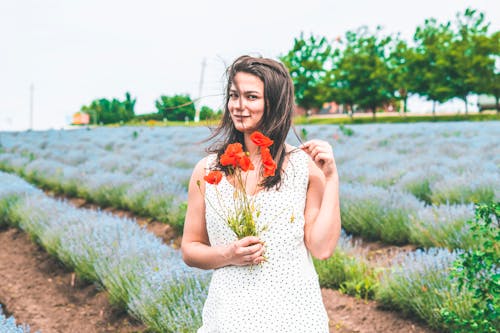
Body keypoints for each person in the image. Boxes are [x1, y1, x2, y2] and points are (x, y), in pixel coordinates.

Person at [181, 55, 341, 332]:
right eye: (234, 95)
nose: (239, 106)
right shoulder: (206, 171)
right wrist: (228, 255)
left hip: (294, 317)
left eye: (251, 97)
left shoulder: (305, 169)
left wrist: (331, 177)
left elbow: (322, 248)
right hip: (229, 317)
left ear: (274, 103)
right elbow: (190, 248)